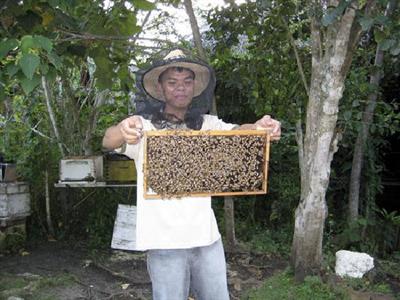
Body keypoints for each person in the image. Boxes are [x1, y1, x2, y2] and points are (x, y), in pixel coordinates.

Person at [102, 49, 281, 300]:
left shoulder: (208, 125)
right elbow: (108, 140)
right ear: (161, 88)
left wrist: (261, 128)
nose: (181, 88)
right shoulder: (144, 127)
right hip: (164, 243)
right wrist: (123, 130)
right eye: (173, 82)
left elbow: (241, 131)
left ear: (195, 87)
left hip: (206, 239)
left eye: (187, 82)